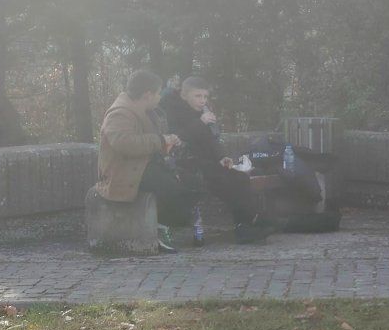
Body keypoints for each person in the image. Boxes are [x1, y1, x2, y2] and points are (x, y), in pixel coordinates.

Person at [162, 76, 270, 244]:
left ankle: (246, 225)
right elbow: (177, 139)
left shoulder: (202, 112)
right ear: (184, 95)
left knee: (239, 178)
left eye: (205, 96)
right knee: (225, 180)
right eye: (198, 96)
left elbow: (212, 139)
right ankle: (247, 226)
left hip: (206, 162)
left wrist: (222, 157)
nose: (202, 101)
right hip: (186, 165)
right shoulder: (173, 112)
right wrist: (200, 122)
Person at [96, 69, 184, 253]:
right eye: (158, 93)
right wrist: (160, 141)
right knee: (169, 187)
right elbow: (124, 143)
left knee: (184, 179)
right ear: (147, 94)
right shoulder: (120, 113)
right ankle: (158, 230)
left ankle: (166, 225)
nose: (160, 97)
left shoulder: (144, 111)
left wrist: (166, 142)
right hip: (123, 172)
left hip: (138, 165)